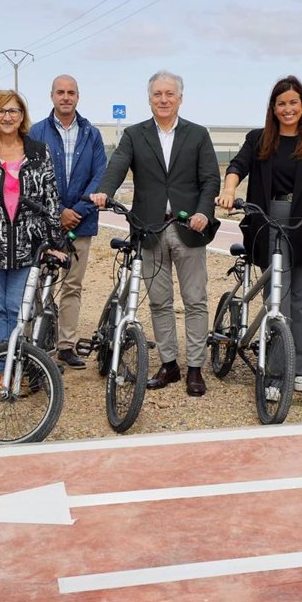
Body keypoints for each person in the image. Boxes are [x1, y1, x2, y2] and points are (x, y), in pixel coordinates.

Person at [91, 70, 220, 397]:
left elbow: (210, 180)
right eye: (157, 94)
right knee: (160, 302)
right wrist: (104, 191)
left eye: (169, 94)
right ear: (149, 99)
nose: (163, 99)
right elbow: (117, 166)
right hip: (149, 228)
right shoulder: (135, 135)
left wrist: (205, 211)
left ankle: (194, 368)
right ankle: (169, 365)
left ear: (180, 98)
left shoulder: (198, 134)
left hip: (189, 227)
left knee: (195, 300)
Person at [216, 76, 302, 394]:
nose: (288, 109)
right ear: (273, 107)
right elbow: (237, 166)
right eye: (281, 103)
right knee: (278, 300)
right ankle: (273, 374)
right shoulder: (258, 140)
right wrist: (229, 190)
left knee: (300, 300)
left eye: (293, 102)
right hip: (269, 221)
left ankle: (299, 370)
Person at [0, 90, 63, 391]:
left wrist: (55, 242)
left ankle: (18, 366)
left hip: (28, 247)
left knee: (18, 309)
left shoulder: (39, 152)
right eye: (0, 112)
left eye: (14, 111)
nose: (7, 117)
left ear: (22, 116)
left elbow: (51, 200)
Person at [28, 75, 107, 370]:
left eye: (70, 92)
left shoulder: (92, 134)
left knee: (73, 285)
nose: (65, 97)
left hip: (81, 224)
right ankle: (34, 345)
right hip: (43, 223)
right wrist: (58, 211)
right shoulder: (36, 132)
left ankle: (66, 346)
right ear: (51, 96)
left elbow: (100, 175)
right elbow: (32, 179)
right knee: (36, 284)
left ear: (78, 96)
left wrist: (77, 211)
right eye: (60, 92)